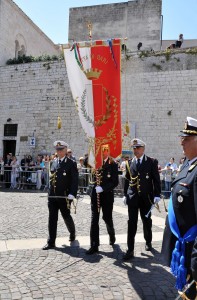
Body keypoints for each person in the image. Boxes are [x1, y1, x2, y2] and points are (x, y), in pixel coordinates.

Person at [161, 116, 197, 300]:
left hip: (192, 250)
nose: (182, 142)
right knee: (184, 292)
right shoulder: (187, 165)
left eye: (187, 139)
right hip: (182, 245)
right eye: (182, 137)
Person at [122, 138, 161, 260]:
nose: (135, 150)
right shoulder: (129, 163)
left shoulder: (151, 162)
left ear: (143, 148)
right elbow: (127, 181)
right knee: (131, 223)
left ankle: (148, 241)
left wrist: (157, 195)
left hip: (146, 198)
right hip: (133, 198)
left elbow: (156, 180)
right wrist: (125, 194)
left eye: (138, 148)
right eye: (134, 148)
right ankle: (130, 249)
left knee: (146, 222)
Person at [42, 140, 78, 250]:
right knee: (52, 218)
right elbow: (52, 178)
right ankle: (51, 241)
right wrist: (49, 190)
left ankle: (72, 232)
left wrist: (72, 193)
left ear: (66, 150)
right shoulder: (54, 162)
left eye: (61, 149)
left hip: (64, 196)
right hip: (53, 196)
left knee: (66, 216)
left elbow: (74, 181)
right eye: (57, 150)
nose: (59, 151)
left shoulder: (71, 163)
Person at [86, 144, 119, 254]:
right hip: (96, 195)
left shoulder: (113, 164)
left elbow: (115, 182)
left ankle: (112, 234)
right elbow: (86, 161)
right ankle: (94, 244)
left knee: (107, 218)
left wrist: (103, 188)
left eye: (106, 150)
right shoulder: (95, 163)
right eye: (102, 150)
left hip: (107, 196)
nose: (104, 152)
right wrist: (92, 150)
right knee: (94, 219)